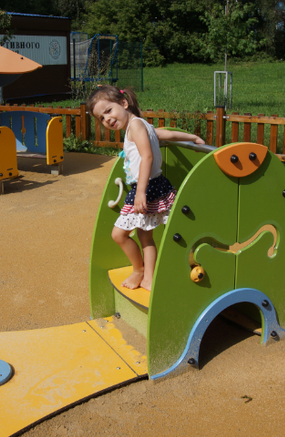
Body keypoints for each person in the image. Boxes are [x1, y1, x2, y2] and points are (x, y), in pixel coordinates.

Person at [87, 86, 205, 291]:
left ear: (124, 103)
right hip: (153, 185)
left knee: (119, 235)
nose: (107, 119)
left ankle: (138, 270)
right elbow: (166, 134)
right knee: (145, 236)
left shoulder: (135, 126)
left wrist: (140, 192)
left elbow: (147, 157)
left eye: (109, 111)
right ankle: (148, 277)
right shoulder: (140, 125)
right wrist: (192, 138)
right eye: (101, 118)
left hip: (146, 187)